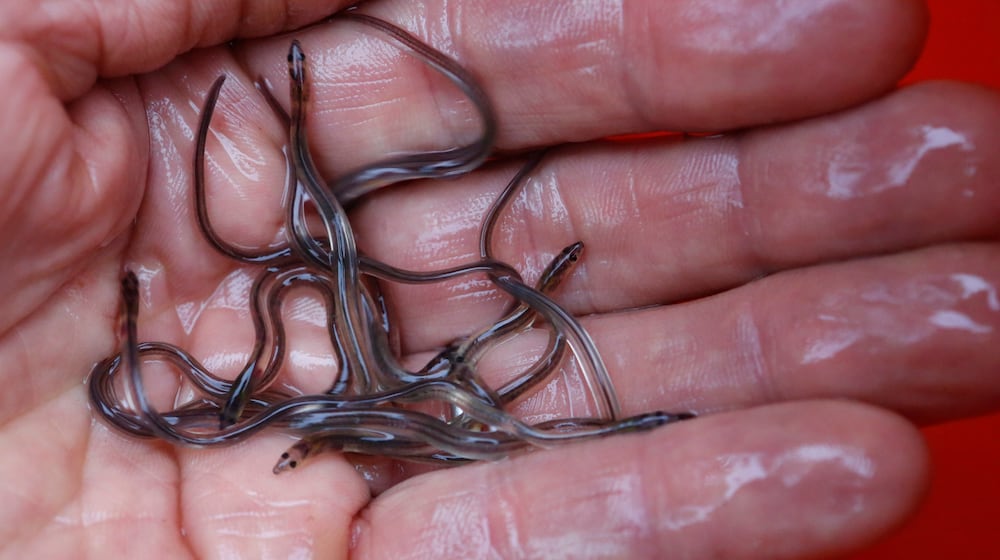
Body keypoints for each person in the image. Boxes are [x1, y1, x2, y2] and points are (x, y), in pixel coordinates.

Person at [1, 1, 997, 557]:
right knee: (385, 324)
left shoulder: (351, 340)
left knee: (410, 338)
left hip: (382, 381)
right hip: (365, 379)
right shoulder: (311, 326)